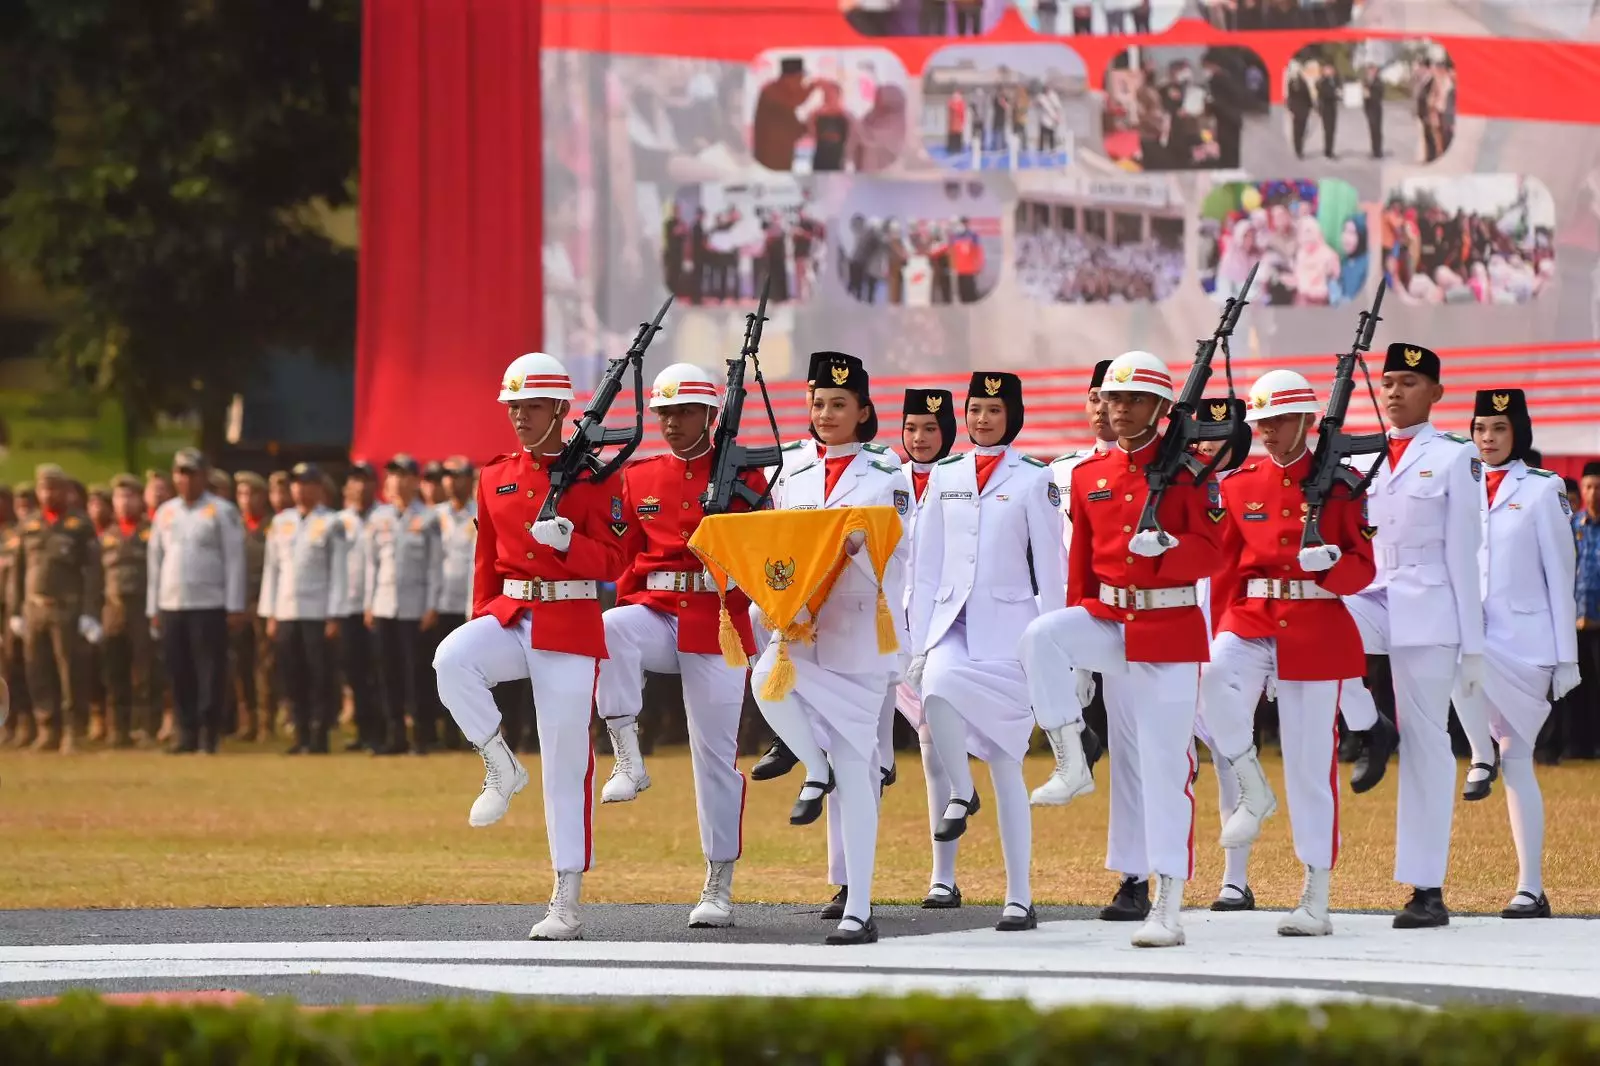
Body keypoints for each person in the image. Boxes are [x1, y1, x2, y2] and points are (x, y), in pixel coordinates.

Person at [1018, 350, 1226, 947]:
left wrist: (1171, 549)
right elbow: (1080, 567)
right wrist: (1079, 652)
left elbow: (1214, 552)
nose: (1120, 408)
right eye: (1112, 398)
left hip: (1167, 629)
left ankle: (1168, 902)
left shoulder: (1191, 471)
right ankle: (1070, 759)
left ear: (1161, 408)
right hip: (1108, 618)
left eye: (1134, 398)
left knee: (1164, 770)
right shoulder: (1088, 475)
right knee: (1041, 636)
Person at [432, 351, 629, 941]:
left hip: (569, 619)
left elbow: (619, 560)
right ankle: (500, 763)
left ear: (562, 410)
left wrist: (570, 546)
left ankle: (566, 896)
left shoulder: (599, 475)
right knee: (452, 658)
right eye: (513, 406)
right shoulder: (494, 475)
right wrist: (481, 620)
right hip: (513, 613)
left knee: (567, 761)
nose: (519, 416)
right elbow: (485, 563)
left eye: (532, 406)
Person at [1200, 370, 1377, 936]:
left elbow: (1363, 566)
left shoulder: (1344, 484)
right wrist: (1218, 630)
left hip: (1313, 623)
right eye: (1260, 423)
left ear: (1306, 421)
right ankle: (1252, 786)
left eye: (1277, 422)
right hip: (1250, 616)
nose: (1267, 432)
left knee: (1309, 765)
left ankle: (1315, 895)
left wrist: (1335, 568)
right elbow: (1226, 568)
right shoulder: (1238, 483)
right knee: (1210, 683)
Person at [595, 363, 766, 929]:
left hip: (718, 622)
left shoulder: (746, 476)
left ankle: (718, 880)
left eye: (684, 412)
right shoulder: (639, 477)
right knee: (613, 627)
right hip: (659, 612)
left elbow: (762, 553)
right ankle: (627, 753)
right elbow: (623, 562)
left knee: (714, 758)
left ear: (711, 416)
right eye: (664, 412)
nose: (671, 422)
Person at [753, 351, 910, 944]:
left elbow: (900, 546)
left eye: (840, 404)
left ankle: (859, 908)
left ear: (864, 411)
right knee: (764, 679)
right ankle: (812, 769)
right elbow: (775, 543)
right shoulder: (790, 469)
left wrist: (857, 551)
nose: (826, 413)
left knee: (859, 766)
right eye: (818, 403)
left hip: (859, 635)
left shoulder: (885, 470)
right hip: (799, 630)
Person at [907, 372, 1064, 932]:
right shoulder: (946, 475)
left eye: (993, 410)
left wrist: (1056, 645)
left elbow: (1051, 568)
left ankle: (1019, 896)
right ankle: (961, 793)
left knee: (1007, 765)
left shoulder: (1034, 479)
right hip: (949, 625)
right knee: (935, 691)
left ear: (1011, 415)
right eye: (974, 409)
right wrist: (918, 639)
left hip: (1010, 634)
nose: (981, 419)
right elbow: (924, 569)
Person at [1341, 342, 1484, 929]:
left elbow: (1465, 555)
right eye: (1389, 381)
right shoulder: (1365, 453)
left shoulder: (1455, 457)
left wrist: (1472, 647)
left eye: (1408, 382)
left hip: (1430, 608)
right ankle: (1369, 723)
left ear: (1436, 393)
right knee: (1313, 620)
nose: (1394, 391)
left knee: (1428, 743)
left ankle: (1427, 888)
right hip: (1375, 593)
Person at [1452, 390, 1576, 918]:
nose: (1487, 439)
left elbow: (1560, 577)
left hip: (1527, 647)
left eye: (1498, 429)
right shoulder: (1459, 485)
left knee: (1520, 761)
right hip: (1477, 639)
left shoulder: (1545, 490)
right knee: (1452, 649)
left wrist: (1567, 659)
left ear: (1517, 433)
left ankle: (1530, 888)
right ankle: (1481, 754)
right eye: (1480, 428)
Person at [1035, 359, 1115, 798]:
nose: (1101, 408)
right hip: (1073, 602)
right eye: (1093, 398)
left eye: (1110, 399)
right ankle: (1078, 738)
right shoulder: (1061, 471)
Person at [897, 387, 964, 908]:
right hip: (886, 631)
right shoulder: (885, 479)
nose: (920, 439)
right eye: (912, 428)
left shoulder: (965, 480)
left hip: (943, 630)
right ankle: (849, 884)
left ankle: (943, 876)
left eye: (931, 429)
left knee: (933, 747)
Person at [148, 448, 247, 754]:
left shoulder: (221, 511)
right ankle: (185, 732)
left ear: (204, 475)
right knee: (179, 670)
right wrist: (153, 607)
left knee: (210, 671)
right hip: (172, 603)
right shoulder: (165, 513)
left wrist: (234, 604)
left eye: (191, 472)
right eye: (180, 472)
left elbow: (234, 560)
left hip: (209, 604)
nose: (185, 479)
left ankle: (209, 734)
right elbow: (155, 561)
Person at [11, 464, 103, 753]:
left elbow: (92, 572)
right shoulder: (29, 525)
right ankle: (46, 728)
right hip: (34, 608)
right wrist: (15, 611)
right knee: (37, 670)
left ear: (66, 491)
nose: (48, 493)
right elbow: (19, 571)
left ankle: (72, 731)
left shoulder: (80, 525)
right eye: (44, 488)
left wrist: (89, 612)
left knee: (70, 673)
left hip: (67, 609)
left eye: (54, 488)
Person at [259, 463, 348, 755]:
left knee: (318, 675)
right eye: (295, 483)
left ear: (318, 488)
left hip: (317, 612)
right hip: (286, 610)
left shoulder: (331, 522)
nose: (299, 489)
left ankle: (319, 734)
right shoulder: (281, 522)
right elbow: (272, 570)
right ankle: (300, 733)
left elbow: (338, 571)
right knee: (292, 674)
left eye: (306, 483)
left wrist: (334, 613)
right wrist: (270, 612)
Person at [364, 454, 444, 755]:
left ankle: (423, 735)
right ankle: (394, 734)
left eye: (402, 475)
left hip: (415, 608)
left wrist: (432, 605)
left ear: (414, 481)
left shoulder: (428, 518)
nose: (395, 481)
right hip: (384, 605)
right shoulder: (379, 518)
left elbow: (436, 565)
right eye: (392, 475)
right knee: (388, 673)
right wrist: (368, 603)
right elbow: (371, 564)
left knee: (417, 673)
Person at [100, 474, 156, 747]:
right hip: (112, 609)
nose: (124, 502)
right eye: (119, 497)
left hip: (142, 609)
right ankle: (118, 729)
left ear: (140, 500)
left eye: (130, 496)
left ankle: (145, 728)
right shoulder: (106, 536)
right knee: (115, 671)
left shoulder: (151, 531)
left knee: (145, 672)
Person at [337, 462, 381, 751]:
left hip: (378, 608)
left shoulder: (384, 517)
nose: (360, 486)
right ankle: (363, 731)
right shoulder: (337, 521)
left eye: (365, 480)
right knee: (354, 670)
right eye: (354, 480)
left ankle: (382, 731)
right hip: (347, 605)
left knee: (378, 671)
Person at [233, 471, 276, 741]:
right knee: (240, 664)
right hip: (238, 602)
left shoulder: (274, 526)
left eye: (252, 494)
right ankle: (246, 720)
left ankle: (266, 722)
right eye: (241, 494)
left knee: (265, 666)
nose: (246, 500)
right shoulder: (233, 525)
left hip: (263, 602)